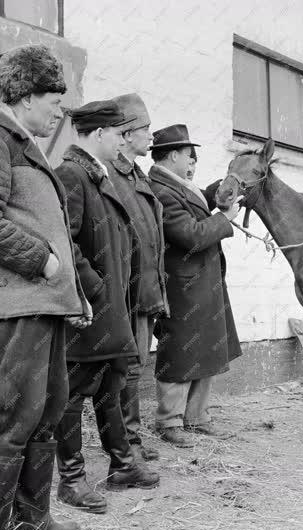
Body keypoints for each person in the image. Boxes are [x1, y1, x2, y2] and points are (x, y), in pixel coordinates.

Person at [0, 44, 90, 530]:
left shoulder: (25, 145)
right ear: (26, 95)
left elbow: (44, 224)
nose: (59, 111)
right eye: (54, 99)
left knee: (46, 411)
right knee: (13, 414)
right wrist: (45, 263)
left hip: (44, 304)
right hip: (17, 305)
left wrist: (71, 294)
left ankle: (32, 519)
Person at [53, 99, 160, 515]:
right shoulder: (72, 175)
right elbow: (65, 242)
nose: (123, 142)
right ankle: (72, 479)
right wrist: (94, 291)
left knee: (111, 387)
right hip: (90, 311)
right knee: (74, 394)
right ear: (98, 134)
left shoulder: (97, 176)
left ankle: (122, 466)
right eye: (118, 134)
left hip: (111, 308)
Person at [148, 124, 243, 448]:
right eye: (191, 157)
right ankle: (169, 421)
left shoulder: (175, 185)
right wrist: (225, 218)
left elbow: (196, 203)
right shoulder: (160, 190)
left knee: (207, 348)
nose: (194, 163)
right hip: (182, 286)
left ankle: (197, 416)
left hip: (199, 281)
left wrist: (222, 187)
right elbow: (190, 233)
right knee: (179, 350)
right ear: (173, 155)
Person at [108, 94, 167, 462]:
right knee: (124, 368)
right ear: (126, 134)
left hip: (142, 287)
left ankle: (130, 438)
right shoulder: (112, 174)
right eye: (145, 129)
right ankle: (124, 442)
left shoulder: (135, 174)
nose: (151, 136)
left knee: (134, 366)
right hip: (123, 290)